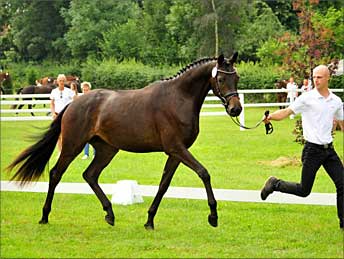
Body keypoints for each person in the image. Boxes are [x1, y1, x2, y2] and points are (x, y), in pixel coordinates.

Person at [260, 65, 344, 229]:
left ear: (328, 78)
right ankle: (275, 183)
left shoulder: (336, 101)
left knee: (342, 184)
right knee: (304, 190)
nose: (316, 80)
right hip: (312, 150)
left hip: (329, 150)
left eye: (319, 77)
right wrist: (270, 117)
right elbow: (286, 111)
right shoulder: (307, 98)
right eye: (314, 77)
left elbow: (342, 121)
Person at [50, 74, 75, 152]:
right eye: (60, 80)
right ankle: (60, 151)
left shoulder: (69, 91)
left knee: (67, 133)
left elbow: (75, 100)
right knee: (58, 134)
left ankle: (66, 150)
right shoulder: (54, 91)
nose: (61, 82)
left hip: (66, 115)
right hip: (57, 115)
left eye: (63, 80)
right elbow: (52, 103)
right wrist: (53, 113)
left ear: (65, 81)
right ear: (57, 81)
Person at [80, 81, 96, 160]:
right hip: (84, 122)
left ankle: (94, 154)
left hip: (93, 121)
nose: (85, 91)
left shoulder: (94, 99)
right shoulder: (80, 99)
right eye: (84, 90)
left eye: (86, 89)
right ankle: (86, 154)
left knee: (95, 138)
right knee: (85, 139)